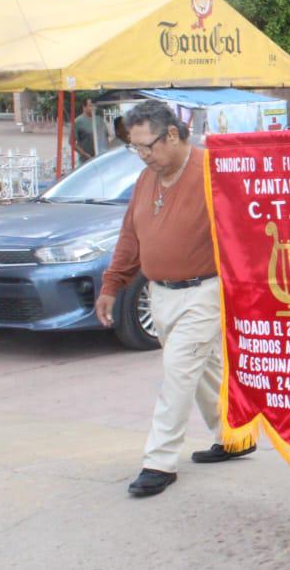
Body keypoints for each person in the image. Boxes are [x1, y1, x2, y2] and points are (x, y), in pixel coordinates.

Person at [96, 99, 253, 498]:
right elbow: (130, 237)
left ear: (171, 134)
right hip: (160, 294)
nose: (142, 155)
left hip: (205, 292)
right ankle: (234, 436)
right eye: (135, 148)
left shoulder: (214, 172)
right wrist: (112, 285)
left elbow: (249, 228)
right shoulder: (146, 179)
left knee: (178, 371)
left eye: (147, 146)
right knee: (204, 370)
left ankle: (159, 462)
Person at [73, 98, 97, 164]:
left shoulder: (97, 120)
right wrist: (85, 155)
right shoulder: (78, 121)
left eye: (93, 106)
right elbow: (72, 143)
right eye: (90, 106)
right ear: (84, 107)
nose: (93, 108)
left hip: (98, 159)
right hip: (85, 162)